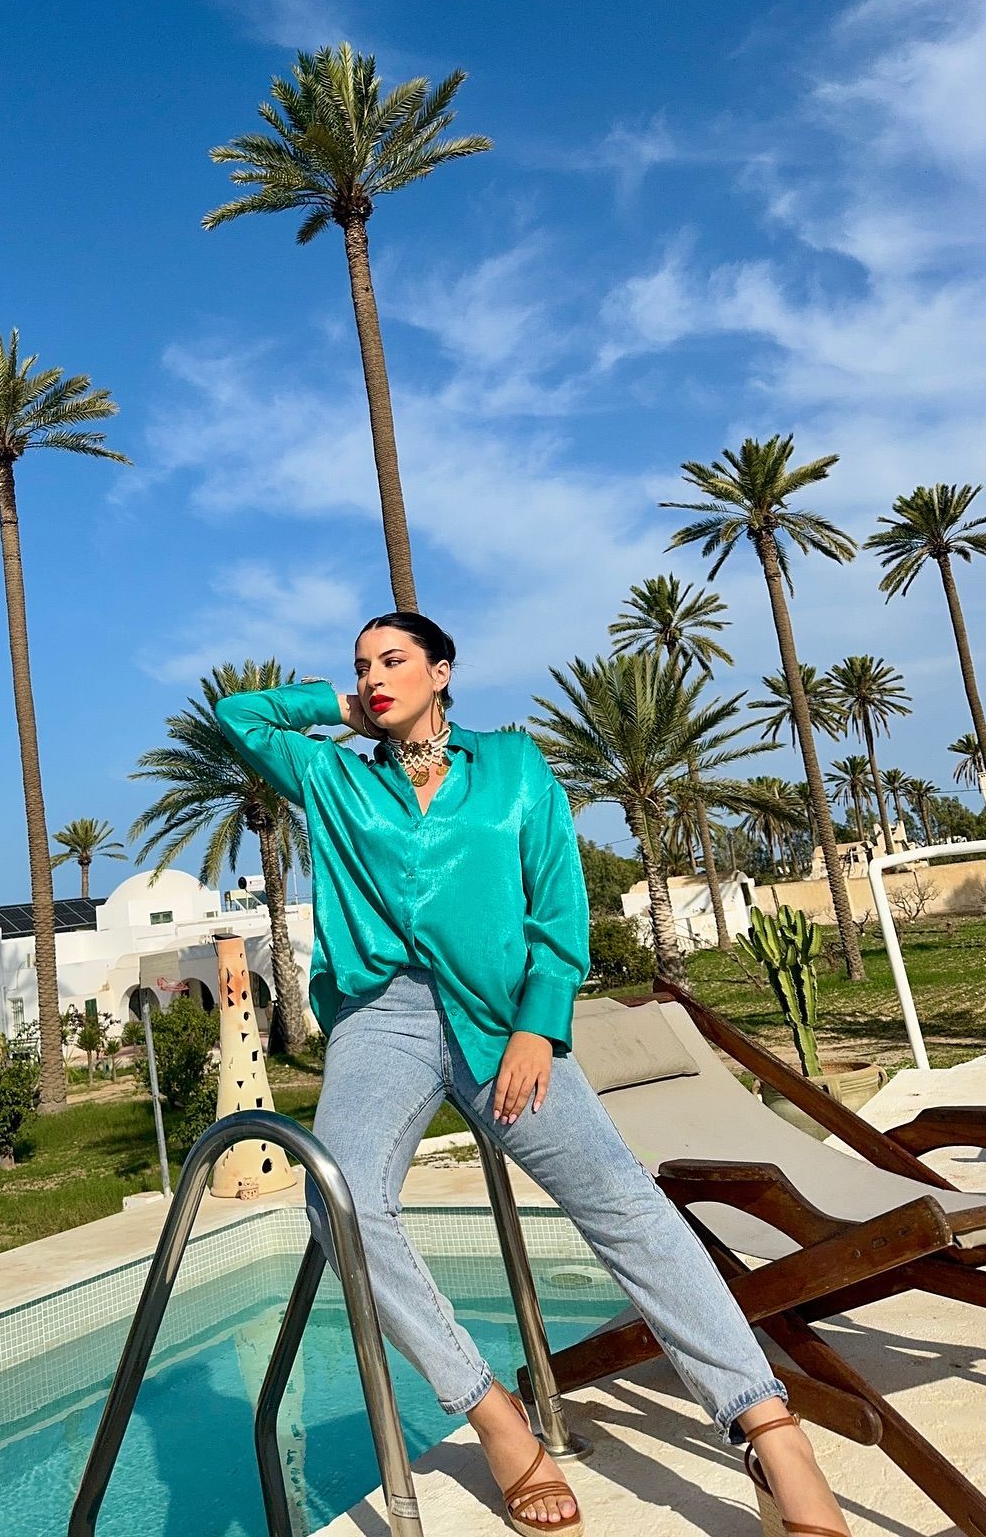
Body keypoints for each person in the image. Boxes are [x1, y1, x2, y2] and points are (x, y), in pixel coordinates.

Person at [215, 612, 851, 1536]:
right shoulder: (332, 774)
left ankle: (769, 1432)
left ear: (442, 671)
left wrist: (537, 1028)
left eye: (394, 660)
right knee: (338, 1202)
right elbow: (238, 716)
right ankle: (495, 1417)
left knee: (624, 1204)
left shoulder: (513, 766)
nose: (376, 677)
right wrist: (340, 709)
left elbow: (558, 903)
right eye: (362, 666)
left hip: (503, 1016)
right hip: (383, 1018)